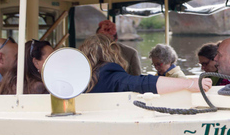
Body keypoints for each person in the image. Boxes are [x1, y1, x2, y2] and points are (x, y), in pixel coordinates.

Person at [80, 35, 211, 94]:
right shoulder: (108, 73)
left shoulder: (80, 78)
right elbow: (143, 83)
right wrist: (190, 83)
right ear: (111, 53)